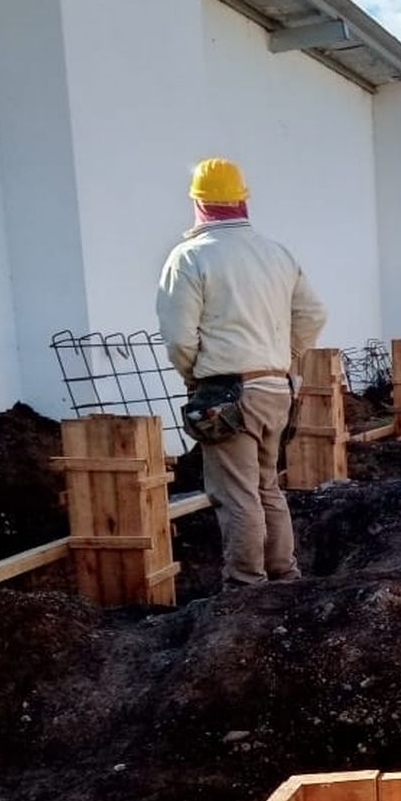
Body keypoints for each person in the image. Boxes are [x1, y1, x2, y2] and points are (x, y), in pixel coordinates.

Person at [157, 157, 327, 588]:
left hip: (226, 394)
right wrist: (283, 357)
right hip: (277, 388)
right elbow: (312, 314)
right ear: (243, 200)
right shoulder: (277, 253)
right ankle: (284, 576)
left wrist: (196, 376)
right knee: (268, 486)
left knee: (236, 494)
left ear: (198, 202)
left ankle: (246, 587)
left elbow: (179, 338)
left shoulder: (191, 257)